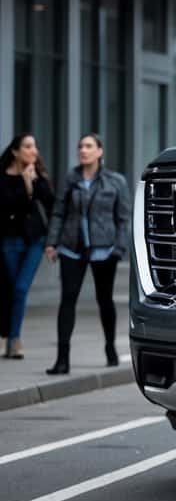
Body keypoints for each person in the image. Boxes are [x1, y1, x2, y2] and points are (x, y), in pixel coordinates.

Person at [44, 134, 130, 375]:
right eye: (81, 146)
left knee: (104, 300)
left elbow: (123, 219)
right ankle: (62, 359)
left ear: (100, 152)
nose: (83, 150)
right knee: (68, 298)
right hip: (72, 247)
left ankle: (110, 348)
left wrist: (119, 249)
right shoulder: (70, 179)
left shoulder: (116, 181)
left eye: (89, 146)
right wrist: (52, 243)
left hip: (104, 250)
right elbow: (58, 213)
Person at [0, 134, 54, 359]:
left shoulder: (38, 175)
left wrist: (52, 242)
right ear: (15, 151)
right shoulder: (3, 177)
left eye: (35, 146)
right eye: (28, 146)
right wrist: (25, 186)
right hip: (9, 240)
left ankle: (14, 339)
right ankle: (6, 335)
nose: (34, 151)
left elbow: (51, 206)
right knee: (9, 290)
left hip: (34, 240)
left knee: (21, 288)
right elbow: (7, 205)